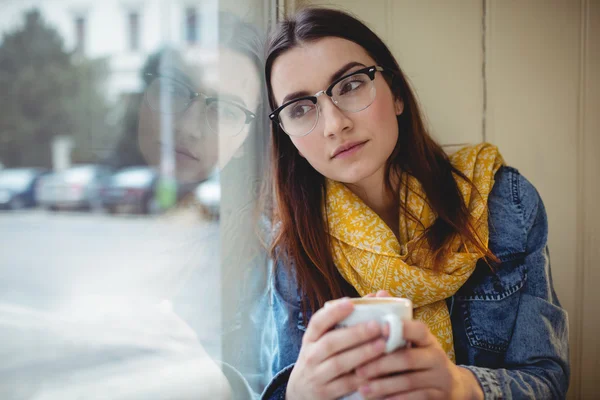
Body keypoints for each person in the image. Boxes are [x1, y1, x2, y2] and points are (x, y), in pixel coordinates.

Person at [259, 7, 569, 400]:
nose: (335, 123)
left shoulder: (503, 203)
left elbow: (547, 378)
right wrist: (297, 395)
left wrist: (462, 388)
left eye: (351, 85)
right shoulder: (292, 244)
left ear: (398, 94)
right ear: (288, 139)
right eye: (300, 109)